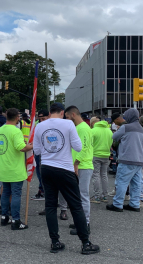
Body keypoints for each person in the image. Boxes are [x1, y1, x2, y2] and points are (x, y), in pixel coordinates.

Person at [33, 103, 100, 255]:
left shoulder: (40, 126)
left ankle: (55, 242)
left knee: (50, 206)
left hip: (47, 168)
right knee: (76, 206)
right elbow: (78, 147)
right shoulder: (68, 124)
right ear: (62, 112)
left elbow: (36, 150)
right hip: (64, 168)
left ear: (50, 113)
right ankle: (85, 243)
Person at [0, 108, 33, 230]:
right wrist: (32, 146)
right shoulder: (16, 131)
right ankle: (16, 220)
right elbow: (21, 147)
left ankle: (4, 217)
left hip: (3, 168)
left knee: (6, 193)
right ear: (17, 117)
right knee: (16, 194)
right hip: (15, 169)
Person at [106, 108, 143, 212]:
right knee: (136, 184)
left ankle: (118, 204)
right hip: (139, 160)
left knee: (122, 182)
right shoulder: (141, 128)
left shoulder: (126, 127)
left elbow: (114, 136)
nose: (124, 117)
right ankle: (135, 204)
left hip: (127, 159)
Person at [64, 106, 94, 236]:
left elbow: (84, 147)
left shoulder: (82, 128)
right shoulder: (80, 127)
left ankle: (85, 224)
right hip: (81, 165)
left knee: (83, 195)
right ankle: (80, 221)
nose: (66, 119)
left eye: (67, 116)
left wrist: (76, 164)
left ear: (73, 115)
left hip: (83, 166)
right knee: (79, 195)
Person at [91, 117, 113, 203]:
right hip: (106, 155)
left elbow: (90, 143)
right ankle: (105, 195)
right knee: (104, 175)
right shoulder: (109, 131)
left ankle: (96, 196)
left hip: (95, 154)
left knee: (96, 175)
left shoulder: (93, 131)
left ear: (93, 123)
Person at [32, 110, 49, 202]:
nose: (41, 120)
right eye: (40, 119)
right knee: (40, 173)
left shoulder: (51, 126)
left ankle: (44, 191)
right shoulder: (38, 125)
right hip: (39, 153)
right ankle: (42, 190)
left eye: (43, 118)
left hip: (47, 154)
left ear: (48, 116)